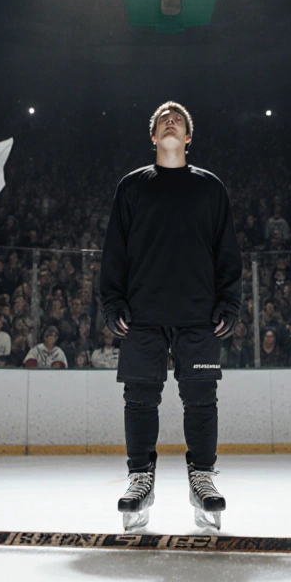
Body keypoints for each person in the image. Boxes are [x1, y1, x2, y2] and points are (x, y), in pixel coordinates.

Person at [98, 101, 241, 531]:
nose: (171, 121)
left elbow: (227, 254)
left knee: (201, 399)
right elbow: (114, 253)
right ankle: (140, 477)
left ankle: (202, 478)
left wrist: (229, 303)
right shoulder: (132, 187)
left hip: (199, 316)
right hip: (142, 315)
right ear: (154, 137)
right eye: (164, 120)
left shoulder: (210, 188)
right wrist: (113, 303)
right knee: (139, 398)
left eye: (178, 119)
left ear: (189, 137)